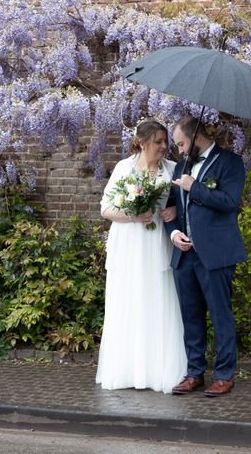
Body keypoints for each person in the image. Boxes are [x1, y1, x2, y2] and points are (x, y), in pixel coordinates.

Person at [95, 119, 187, 394]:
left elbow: (183, 206)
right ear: (143, 143)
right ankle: (126, 369)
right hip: (129, 242)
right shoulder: (125, 167)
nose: (164, 147)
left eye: (165, 142)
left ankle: (158, 370)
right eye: (158, 142)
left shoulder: (171, 169)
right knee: (128, 301)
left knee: (158, 299)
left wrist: (174, 213)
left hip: (157, 242)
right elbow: (105, 208)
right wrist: (133, 215)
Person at [164, 115, 247, 397]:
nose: (180, 151)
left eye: (182, 144)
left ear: (197, 135)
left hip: (216, 253)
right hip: (185, 255)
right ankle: (194, 372)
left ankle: (224, 375)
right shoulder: (181, 166)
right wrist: (174, 234)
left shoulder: (230, 163)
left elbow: (229, 202)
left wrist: (194, 187)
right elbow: (170, 209)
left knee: (221, 316)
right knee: (191, 317)